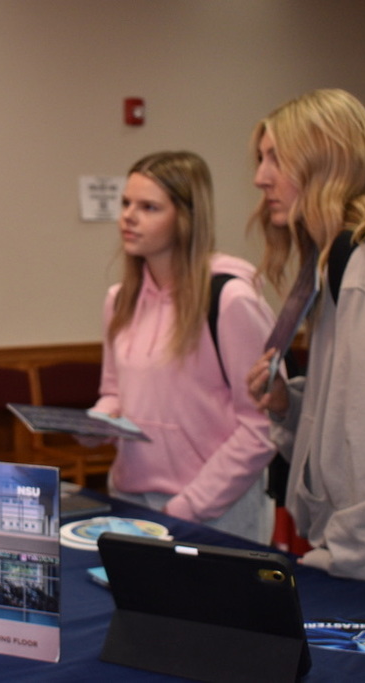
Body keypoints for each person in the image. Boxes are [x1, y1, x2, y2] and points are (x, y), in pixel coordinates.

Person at [246, 89, 365, 591]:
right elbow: (350, 407)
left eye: (277, 159)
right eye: (260, 159)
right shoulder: (339, 256)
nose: (260, 177)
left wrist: (351, 561)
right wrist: (288, 405)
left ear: (326, 160)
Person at [90, 151, 278, 545]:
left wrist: (187, 507)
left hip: (215, 510)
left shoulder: (230, 299)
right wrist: (97, 422)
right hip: (131, 499)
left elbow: (261, 425)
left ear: (186, 218)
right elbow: (113, 392)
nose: (129, 216)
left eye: (149, 207)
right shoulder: (119, 299)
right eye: (126, 204)